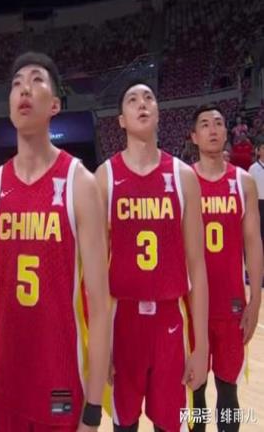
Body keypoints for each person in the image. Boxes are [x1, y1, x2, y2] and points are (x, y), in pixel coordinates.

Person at [0, 51, 111, 431]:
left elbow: (100, 305)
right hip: (7, 385)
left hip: (61, 381)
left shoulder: (80, 184)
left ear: (54, 105)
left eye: (36, 80)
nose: (25, 89)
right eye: (17, 84)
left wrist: (93, 410)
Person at [95, 80, 209, 432]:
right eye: (132, 100)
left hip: (170, 321)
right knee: (124, 424)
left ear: (158, 113)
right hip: (123, 320)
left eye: (148, 98)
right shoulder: (104, 178)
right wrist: (100, 344)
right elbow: (94, 275)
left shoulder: (183, 177)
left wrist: (201, 344)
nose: (142, 103)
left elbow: (197, 266)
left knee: (170, 425)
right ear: (121, 120)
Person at [190, 104, 262, 431]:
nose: (213, 129)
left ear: (226, 132)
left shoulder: (243, 182)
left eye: (219, 123)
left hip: (231, 303)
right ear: (194, 136)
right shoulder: (184, 181)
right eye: (205, 124)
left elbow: (253, 244)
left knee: (228, 390)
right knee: (195, 391)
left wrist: (255, 300)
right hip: (192, 304)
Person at [248, 141, 264, 244]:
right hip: (258, 202)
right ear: (258, 151)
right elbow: (249, 188)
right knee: (260, 230)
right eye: (263, 148)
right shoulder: (253, 168)